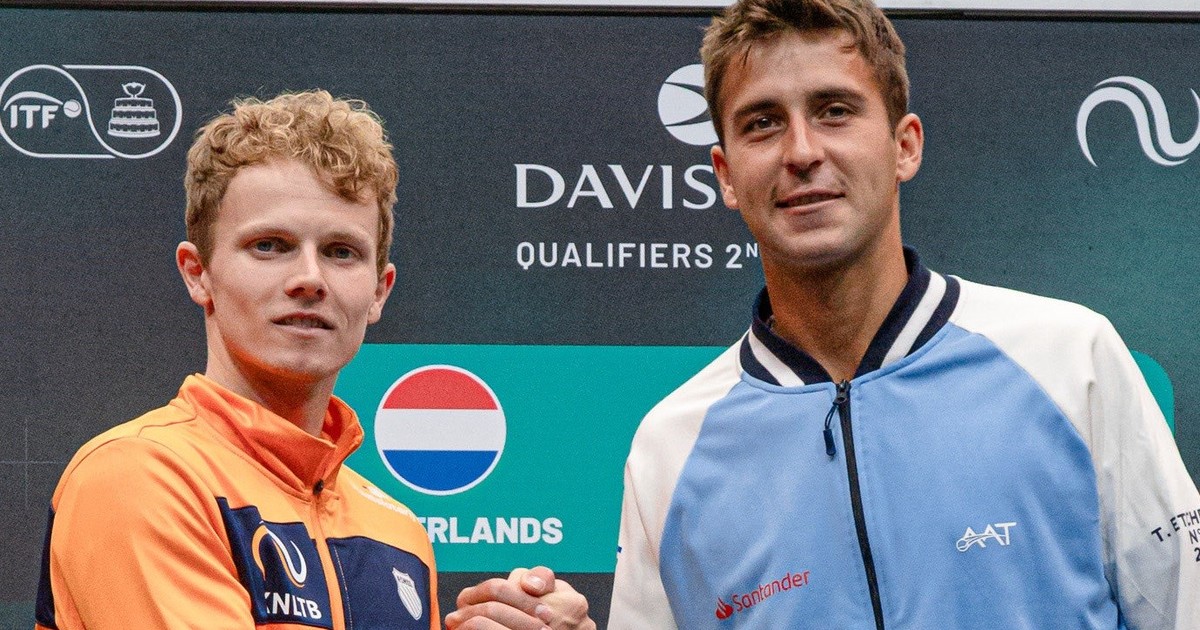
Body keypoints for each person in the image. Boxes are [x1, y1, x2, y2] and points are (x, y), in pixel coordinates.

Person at [451, 0, 1200, 627]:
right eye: (762, 123)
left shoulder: (1070, 359)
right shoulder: (670, 447)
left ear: (904, 145)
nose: (802, 151)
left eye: (835, 111)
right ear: (725, 175)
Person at [34, 91, 440, 629]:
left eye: (341, 252)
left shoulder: (399, 531)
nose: (310, 279)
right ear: (197, 273)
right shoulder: (140, 476)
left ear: (379, 292)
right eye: (270, 246)